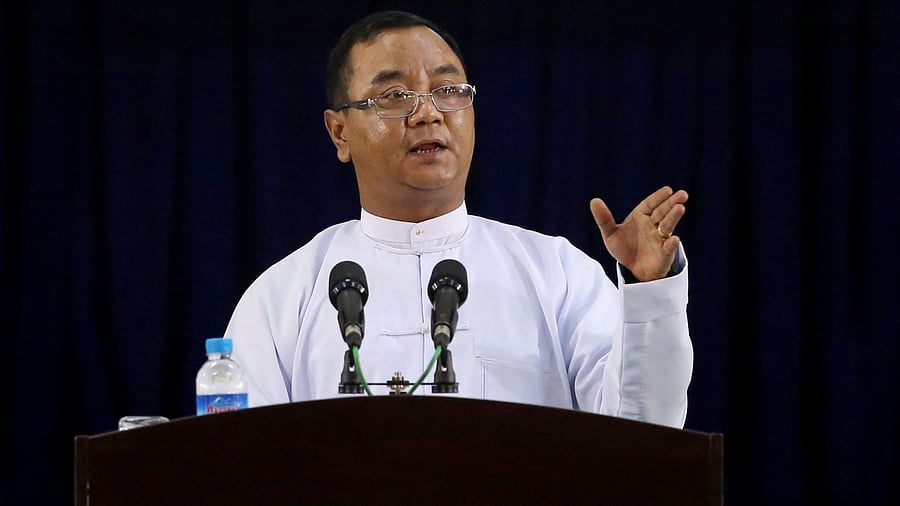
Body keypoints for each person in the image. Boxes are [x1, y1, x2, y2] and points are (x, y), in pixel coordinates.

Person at [224, 10, 693, 428]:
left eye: (448, 90)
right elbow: (241, 468)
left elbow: (643, 434)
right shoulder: (282, 299)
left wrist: (649, 290)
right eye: (394, 95)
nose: (428, 113)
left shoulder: (556, 273)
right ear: (339, 131)